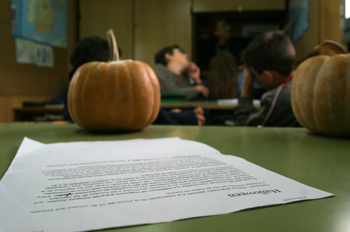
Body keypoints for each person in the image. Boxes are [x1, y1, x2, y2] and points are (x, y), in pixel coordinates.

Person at [64, 37, 205, 126]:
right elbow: (141, 115)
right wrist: (182, 117)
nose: (122, 67)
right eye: (118, 62)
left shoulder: (75, 89)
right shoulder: (111, 92)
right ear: (106, 65)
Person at [234, 31, 300, 127]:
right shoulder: (301, 83)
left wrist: (246, 86)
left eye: (255, 76)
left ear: (268, 76)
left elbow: (243, 126)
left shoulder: (278, 99)